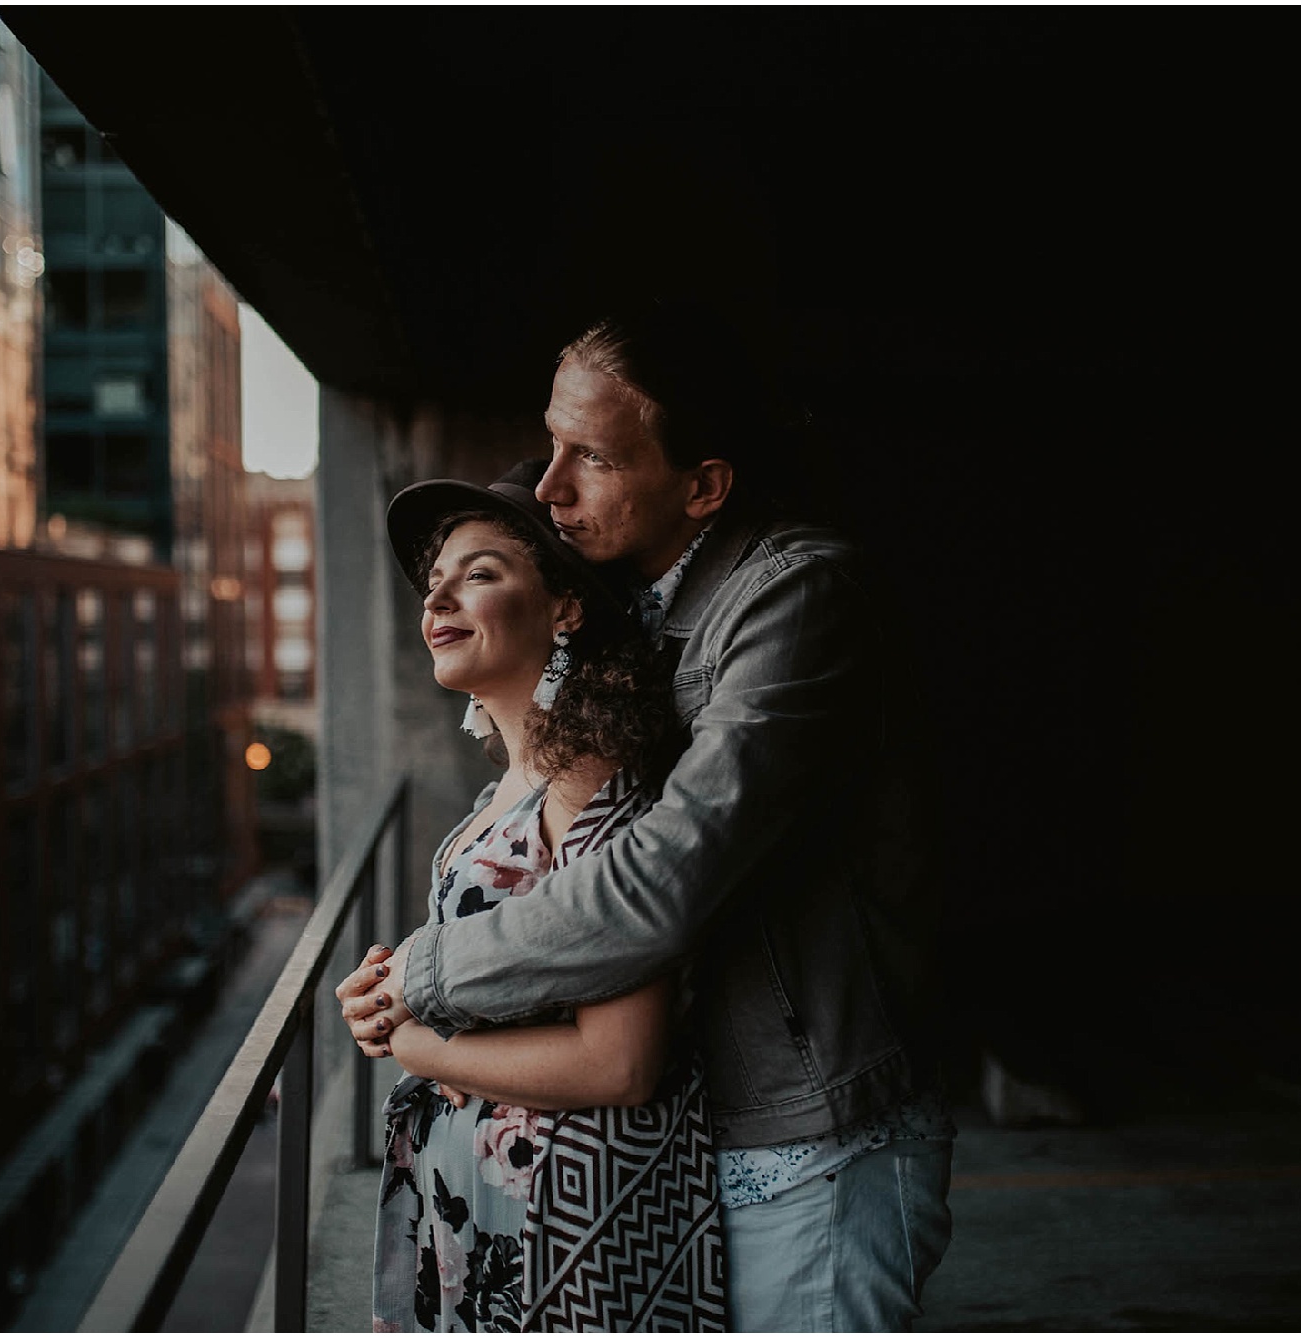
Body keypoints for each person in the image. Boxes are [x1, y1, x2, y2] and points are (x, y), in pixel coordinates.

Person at [339, 301, 956, 1331]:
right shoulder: (648, 616)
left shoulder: (792, 599)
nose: (549, 486)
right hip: (718, 1131)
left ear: (702, 484)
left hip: (815, 1147)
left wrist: (427, 983)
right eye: (550, 443)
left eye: (593, 457)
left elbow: (664, 875)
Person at [362, 461, 727, 1331]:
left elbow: (621, 1062)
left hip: (558, 1213)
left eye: (479, 575)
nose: (438, 602)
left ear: (565, 607)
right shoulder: (512, 783)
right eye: (434, 584)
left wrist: (420, 1047)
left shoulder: (586, 780)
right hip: (486, 1197)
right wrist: (388, 988)